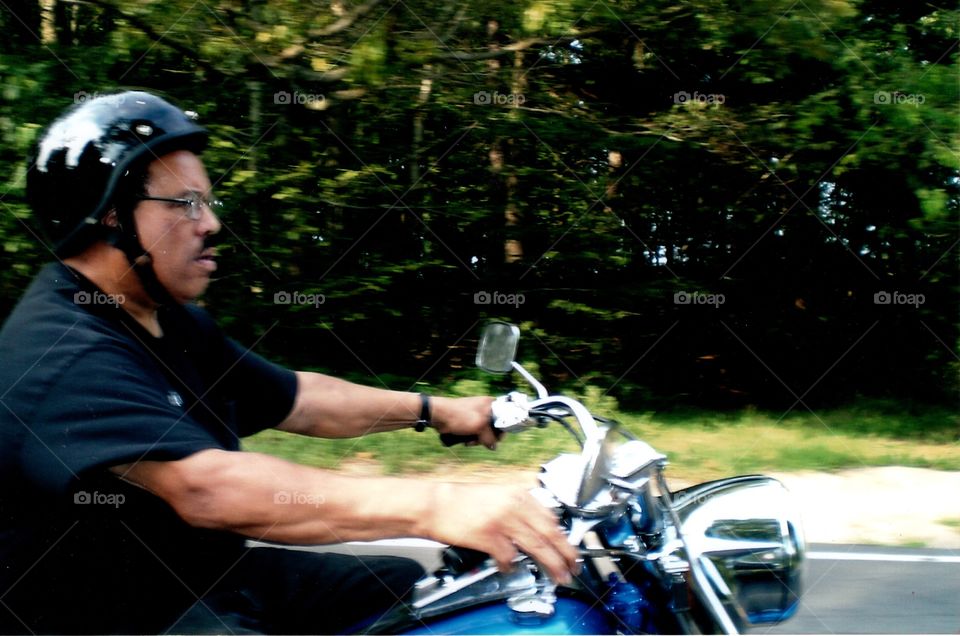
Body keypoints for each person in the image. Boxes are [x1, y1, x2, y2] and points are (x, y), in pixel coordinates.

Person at [0, 91, 578, 634]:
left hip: (207, 582)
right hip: (114, 617)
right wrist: (434, 503)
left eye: (208, 202)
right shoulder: (62, 352)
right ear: (110, 218)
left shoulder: (164, 318)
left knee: (422, 599)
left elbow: (299, 399)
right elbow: (208, 489)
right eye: (186, 204)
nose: (211, 224)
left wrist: (439, 410)